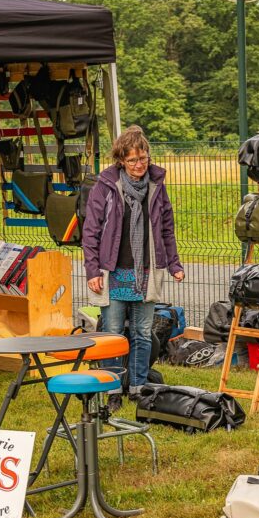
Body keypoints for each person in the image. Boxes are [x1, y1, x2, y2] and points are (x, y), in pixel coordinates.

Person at [82, 125, 184, 400]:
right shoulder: (105, 187)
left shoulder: (157, 186)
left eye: (144, 158)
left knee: (141, 332)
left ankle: (138, 387)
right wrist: (92, 269)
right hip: (112, 271)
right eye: (133, 160)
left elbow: (166, 229)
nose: (140, 165)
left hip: (147, 272)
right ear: (121, 161)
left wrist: (174, 264)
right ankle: (113, 388)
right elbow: (90, 230)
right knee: (113, 333)